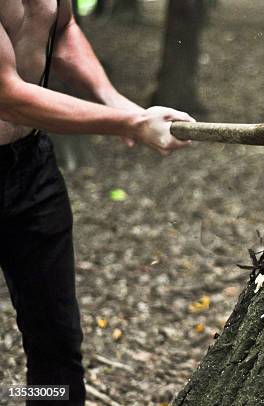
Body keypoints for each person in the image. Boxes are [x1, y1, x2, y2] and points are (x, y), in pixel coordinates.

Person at [0, 1, 194, 404]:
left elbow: (64, 31)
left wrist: (116, 101)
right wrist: (130, 125)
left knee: (56, 337)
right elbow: (8, 96)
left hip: (30, 166)